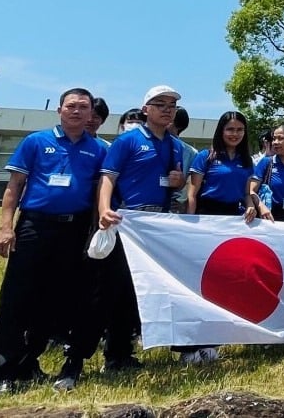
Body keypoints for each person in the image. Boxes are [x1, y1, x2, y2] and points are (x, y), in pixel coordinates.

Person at [0, 88, 108, 395]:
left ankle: (31, 361)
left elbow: (100, 192)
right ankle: (5, 369)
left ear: (92, 114)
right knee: (18, 297)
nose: (77, 111)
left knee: (54, 299)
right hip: (34, 226)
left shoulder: (97, 150)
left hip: (74, 230)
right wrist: (6, 228)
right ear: (59, 110)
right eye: (72, 106)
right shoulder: (36, 141)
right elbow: (14, 187)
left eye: (84, 107)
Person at [96, 85, 188, 371]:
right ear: (146, 109)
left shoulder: (174, 145)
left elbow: (176, 185)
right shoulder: (129, 140)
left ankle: (125, 350)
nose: (167, 109)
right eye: (160, 104)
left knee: (141, 290)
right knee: (118, 288)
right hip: (129, 221)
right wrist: (103, 209)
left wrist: (178, 181)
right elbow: (108, 177)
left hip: (157, 223)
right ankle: (110, 354)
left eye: (171, 105)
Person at [187, 111, 252, 217]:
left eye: (240, 130)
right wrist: (189, 221)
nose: (235, 134)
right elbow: (192, 194)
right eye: (230, 129)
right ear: (221, 131)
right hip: (207, 214)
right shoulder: (205, 156)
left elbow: (247, 193)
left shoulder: (246, 160)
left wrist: (250, 206)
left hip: (235, 216)